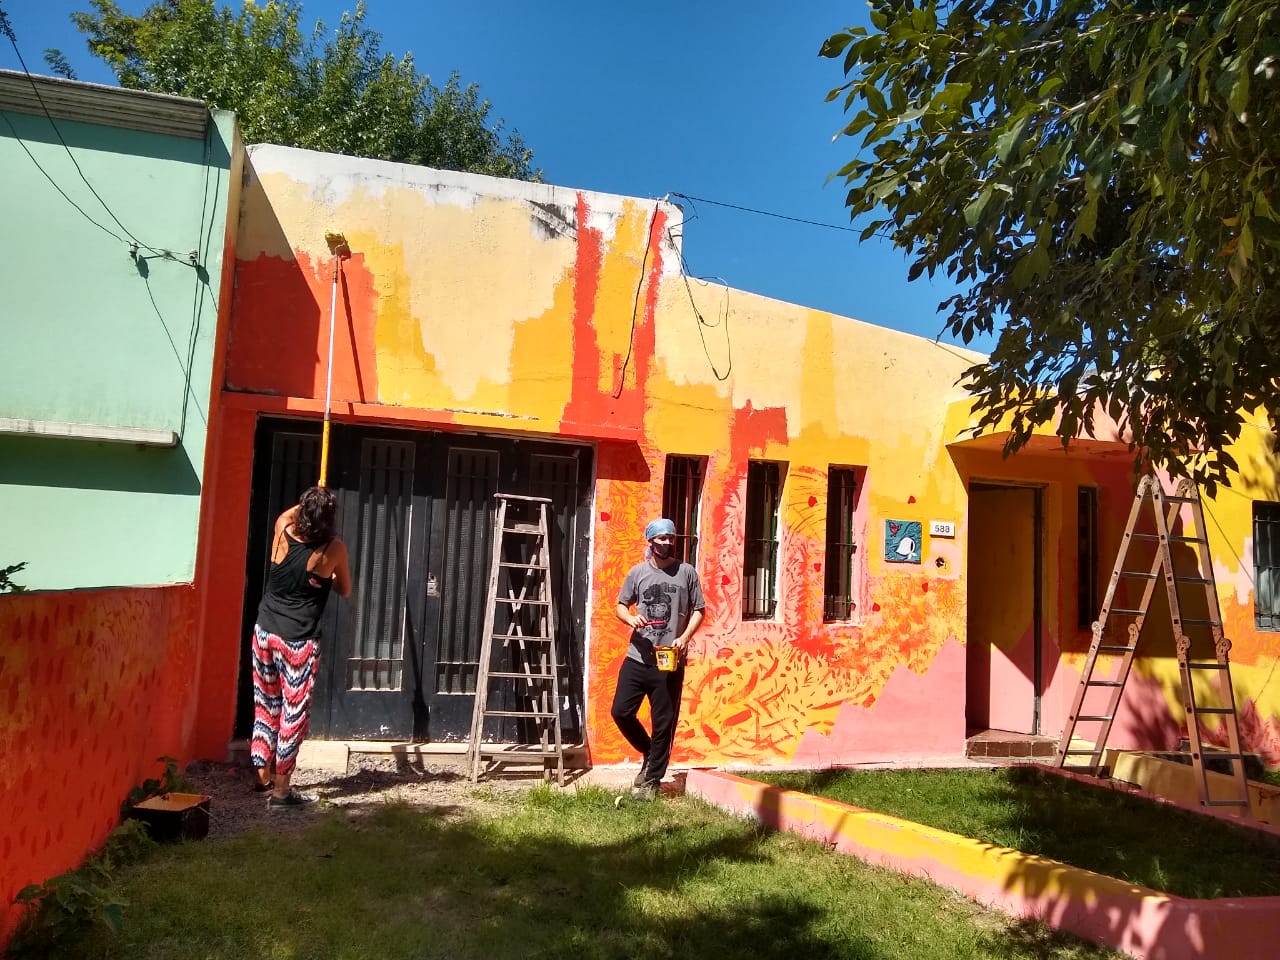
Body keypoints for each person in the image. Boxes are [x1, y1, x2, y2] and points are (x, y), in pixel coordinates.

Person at [250, 486, 352, 809]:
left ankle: (262, 777)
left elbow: (294, 513)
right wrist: (327, 577)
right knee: (292, 713)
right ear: (329, 520)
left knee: (266, 704)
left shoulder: (282, 527)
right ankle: (281, 792)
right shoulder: (333, 549)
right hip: (298, 642)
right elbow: (344, 589)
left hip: (264, 632)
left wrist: (311, 501)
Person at [611, 518, 705, 799]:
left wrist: (685, 637)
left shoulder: (686, 572)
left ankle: (651, 781)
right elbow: (620, 606)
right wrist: (630, 618)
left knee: (663, 723)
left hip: (669, 660)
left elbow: (699, 610)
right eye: (661, 538)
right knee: (621, 711)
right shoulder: (638, 573)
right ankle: (649, 751)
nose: (666, 543)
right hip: (638, 656)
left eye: (670, 538)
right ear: (650, 541)